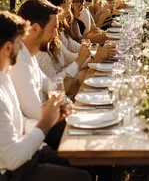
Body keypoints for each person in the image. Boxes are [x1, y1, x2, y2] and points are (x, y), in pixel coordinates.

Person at [0, 11, 91, 181]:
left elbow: (19, 122)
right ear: (7, 48)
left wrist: (50, 117)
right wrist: (44, 124)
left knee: (87, 160)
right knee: (82, 177)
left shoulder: (4, 76)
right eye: (19, 43)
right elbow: (12, 159)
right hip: (13, 172)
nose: (22, 49)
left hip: (31, 150)